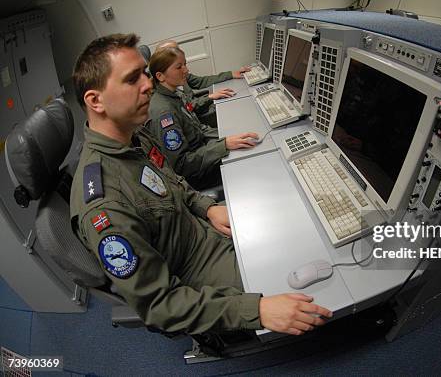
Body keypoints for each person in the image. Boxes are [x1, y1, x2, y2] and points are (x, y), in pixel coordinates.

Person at [70, 33, 332, 337]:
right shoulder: (105, 205)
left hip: (200, 228)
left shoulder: (134, 136)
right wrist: (255, 311)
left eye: (144, 73)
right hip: (193, 270)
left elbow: (172, 182)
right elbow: (160, 306)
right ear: (95, 100)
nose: (147, 85)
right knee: (307, 288)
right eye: (132, 79)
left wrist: (207, 208)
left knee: (295, 228)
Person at [147, 46, 258, 190]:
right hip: (197, 174)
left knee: (247, 138)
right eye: (179, 67)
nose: (186, 70)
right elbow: (181, 165)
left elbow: (197, 129)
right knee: (251, 158)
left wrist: (224, 137)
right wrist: (222, 145)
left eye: (185, 64)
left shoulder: (173, 93)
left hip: (203, 151)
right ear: (160, 76)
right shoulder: (163, 112)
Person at [155, 40, 249, 128]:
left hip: (199, 107)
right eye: (172, 52)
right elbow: (187, 108)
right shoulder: (163, 96)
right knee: (234, 111)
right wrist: (210, 97)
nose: (186, 70)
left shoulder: (180, 74)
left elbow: (201, 81)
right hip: (197, 115)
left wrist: (230, 74)